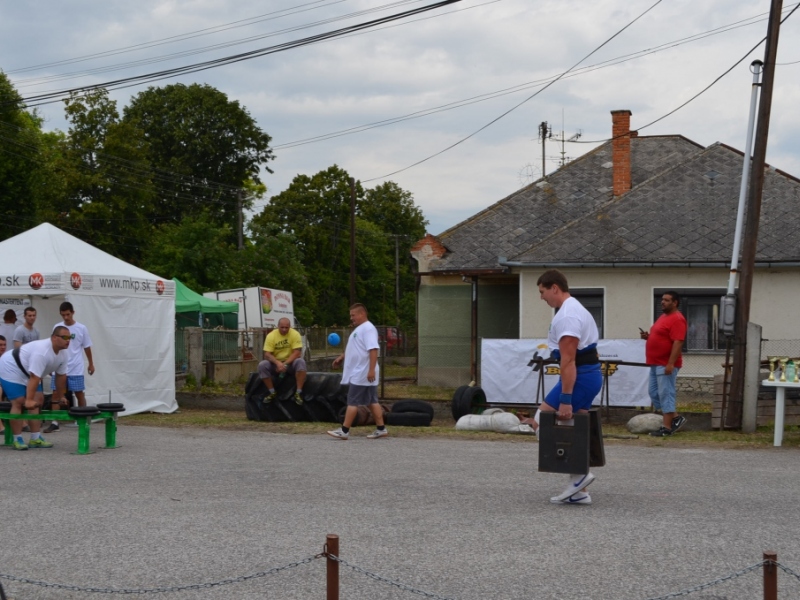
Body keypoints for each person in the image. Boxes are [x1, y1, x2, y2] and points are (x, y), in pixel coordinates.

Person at [532, 270, 603, 505]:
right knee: (575, 428)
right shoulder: (574, 309)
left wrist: (565, 398)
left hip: (581, 376)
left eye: (542, 292)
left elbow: (569, 360)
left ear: (554, 288)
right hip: (588, 375)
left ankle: (579, 477)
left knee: (541, 419)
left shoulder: (568, 316)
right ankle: (579, 492)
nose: (542, 298)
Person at [0, 326, 70, 450]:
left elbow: (61, 377)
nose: (68, 340)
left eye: (70, 337)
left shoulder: (64, 354)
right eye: (65, 337)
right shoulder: (42, 352)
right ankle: (17, 439)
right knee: (19, 401)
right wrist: (28, 400)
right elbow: (34, 377)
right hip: (10, 367)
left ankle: (35, 438)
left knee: (38, 401)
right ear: (54, 338)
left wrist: (61, 396)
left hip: (27, 371)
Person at [327, 303, 387, 440]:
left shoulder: (368, 329)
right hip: (363, 371)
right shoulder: (360, 329)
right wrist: (342, 357)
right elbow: (355, 349)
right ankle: (381, 428)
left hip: (363, 372)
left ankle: (344, 430)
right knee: (371, 401)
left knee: (352, 401)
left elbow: (373, 350)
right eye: (351, 316)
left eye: (353, 315)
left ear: (362, 314)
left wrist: (371, 370)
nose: (351, 318)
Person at [43, 302, 95, 434]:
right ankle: (55, 422)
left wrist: (91, 363)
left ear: (73, 313)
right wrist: (50, 365)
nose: (66, 317)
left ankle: (83, 418)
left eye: (68, 314)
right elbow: (51, 346)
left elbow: (87, 346)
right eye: (63, 315)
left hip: (75, 366)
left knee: (78, 392)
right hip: (60, 366)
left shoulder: (81, 328)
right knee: (56, 393)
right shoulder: (57, 327)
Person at [641, 291, 687, 437]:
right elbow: (661, 337)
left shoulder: (678, 319)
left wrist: (671, 364)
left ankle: (666, 428)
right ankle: (676, 417)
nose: (662, 302)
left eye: (667, 300)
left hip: (666, 364)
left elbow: (678, 342)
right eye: (662, 299)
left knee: (665, 393)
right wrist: (648, 337)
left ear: (675, 303)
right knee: (654, 393)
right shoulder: (663, 317)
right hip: (655, 363)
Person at [256, 317, 306, 405]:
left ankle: (298, 393)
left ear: (290, 327)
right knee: (262, 365)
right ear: (278, 326)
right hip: (276, 364)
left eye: (286, 327)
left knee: (301, 362)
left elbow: (297, 352)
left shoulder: (295, 334)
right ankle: (272, 392)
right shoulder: (271, 335)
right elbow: (267, 354)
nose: (284, 329)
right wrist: (277, 363)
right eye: (282, 327)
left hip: (290, 363)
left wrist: (285, 364)